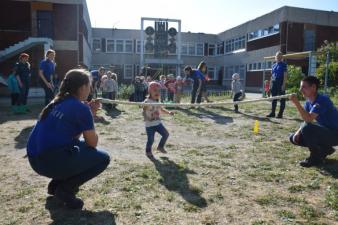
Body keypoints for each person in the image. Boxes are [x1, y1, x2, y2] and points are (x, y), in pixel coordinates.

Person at [26, 69, 110, 209]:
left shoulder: (56, 101)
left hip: (35, 160)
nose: (90, 89)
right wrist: (90, 115)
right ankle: (65, 189)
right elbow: (92, 143)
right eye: (89, 86)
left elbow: (73, 138)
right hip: (49, 162)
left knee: (78, 147)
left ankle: (56, 185)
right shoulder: (80, 108)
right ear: (83, 87)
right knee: (103, 158)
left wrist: (90, 113)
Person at [289, 76, 338, 167]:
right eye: (300, 87)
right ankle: (326, 149)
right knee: (293, 138)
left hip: (335, 134)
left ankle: (315, 158)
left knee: (307, 128)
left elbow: (308, 119)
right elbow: (306, 120)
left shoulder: (322, 100)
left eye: (304, 87)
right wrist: (297, 132)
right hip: (326, 132)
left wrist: (296, 103)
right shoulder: (308, 102)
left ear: (314, 87)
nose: (300, 89)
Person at [143, 81, 174, 159]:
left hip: (157, 123)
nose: (157, 92)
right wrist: (146, 118)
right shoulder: (147, 102)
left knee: (166, 134)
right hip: (149, 125)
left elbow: (161, 110)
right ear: (150, 91)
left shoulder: (158, 101)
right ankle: (148, 151)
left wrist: (169, 112)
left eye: (158, 91)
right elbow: (143, 111)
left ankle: (160, 147)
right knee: (151, 140)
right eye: (155, 90)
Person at [267, 51, 287, 118]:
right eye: (277, 56)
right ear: (275, 57)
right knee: (274, 98)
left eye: (280, 56)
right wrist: (270, 85)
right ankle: (272, 113)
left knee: (282, 98)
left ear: (282, 58)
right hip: (274, 82)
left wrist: (283, 84)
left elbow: (285, 75)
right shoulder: (273, 65)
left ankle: (280, 114)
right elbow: (271, 76)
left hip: (280, 81)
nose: (278, 58)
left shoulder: (284, 64)